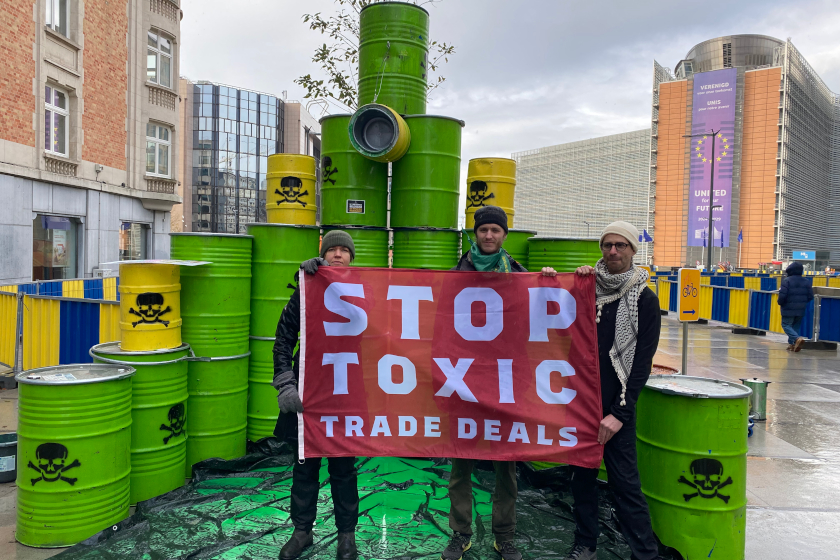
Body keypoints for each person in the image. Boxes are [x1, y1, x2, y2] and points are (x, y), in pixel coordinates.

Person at [442, 205, 556, 560]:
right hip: (464, 383)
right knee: (461, 464)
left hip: (506, 384)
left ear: (505, 235)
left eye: (495, 230)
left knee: (507, 465)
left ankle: (503, 535)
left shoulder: (521, 276)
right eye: (483, 230)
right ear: (474, 235)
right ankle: (460, 534)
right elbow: (438, 329)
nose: (489, 235)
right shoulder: (454, 276)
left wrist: (550, 281)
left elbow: (540, 319)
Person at [566, 221, 661, 560]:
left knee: (625, 485)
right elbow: (546, 304)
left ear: (633, 251)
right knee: (582, 480)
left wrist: (619, 415)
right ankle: (585, 543)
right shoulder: (585, 289)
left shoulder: (645, 300)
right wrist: (558, 276)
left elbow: (640, 366)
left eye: (621, 245)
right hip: (582, 404)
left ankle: (645, 553)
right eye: (607, 245)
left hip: (616, 409)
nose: (613, 252)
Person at [273, 230, 360, 560]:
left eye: (344, 250)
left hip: (346, 393)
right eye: (332, 249)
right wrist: (285, 382)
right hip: (308, 394)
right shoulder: (306, 289)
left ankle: (347, 536)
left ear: (352, 257)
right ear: (323, 253)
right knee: (304, 467)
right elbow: (283, 338)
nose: (337, 254)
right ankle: (302, 532)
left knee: (343, 469)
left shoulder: (365, 292)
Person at [778, 261, 814, 352]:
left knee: (786, 324)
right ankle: (792, 345)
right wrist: (802, 303)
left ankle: (797, 339)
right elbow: (810, 296)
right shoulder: (806, 281)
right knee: (795, 327)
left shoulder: (787, 281)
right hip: (801, 308)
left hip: (788, 308)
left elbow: (783, 295)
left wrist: (780, 302)